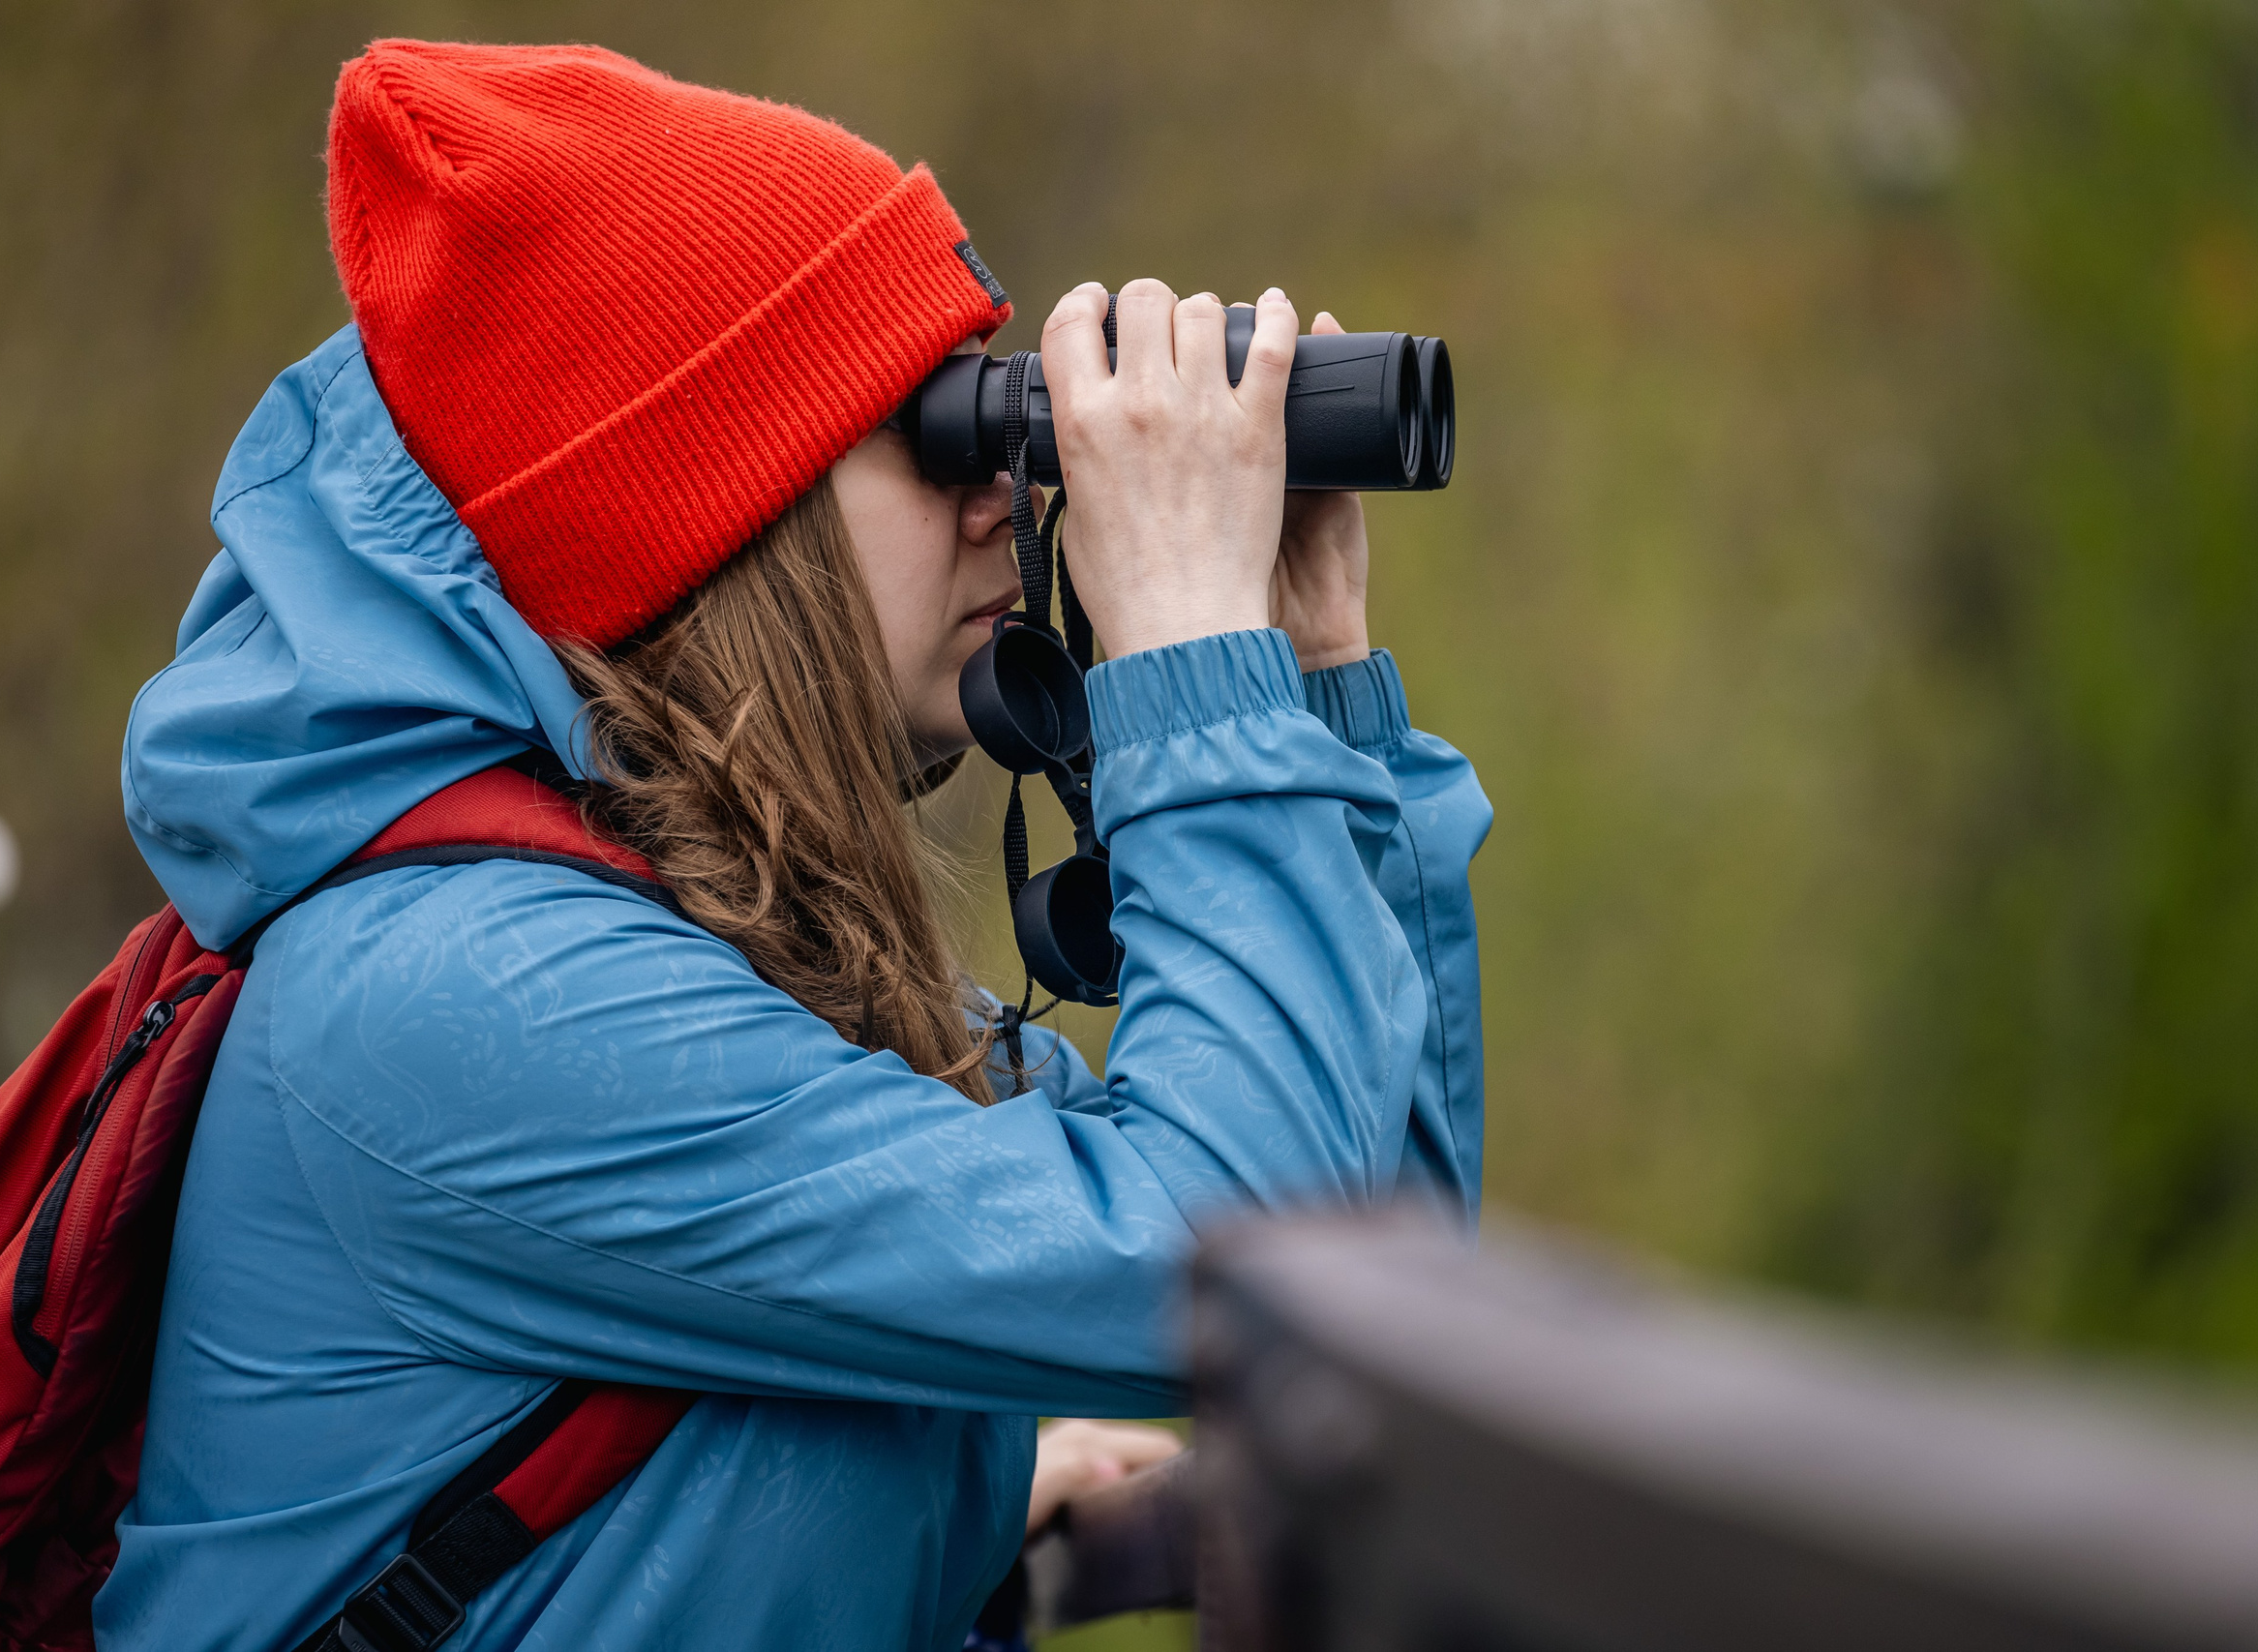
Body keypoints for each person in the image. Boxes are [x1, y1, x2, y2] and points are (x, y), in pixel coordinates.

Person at [100, 38, 1489, 1652]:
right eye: (938, 430)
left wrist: (1313, 693)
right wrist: (1187, 658)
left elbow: (1383, 1290)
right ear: (716, 517)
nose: (1006, 502)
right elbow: (1251, 1278)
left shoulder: (725, 949)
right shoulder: (467, 997)